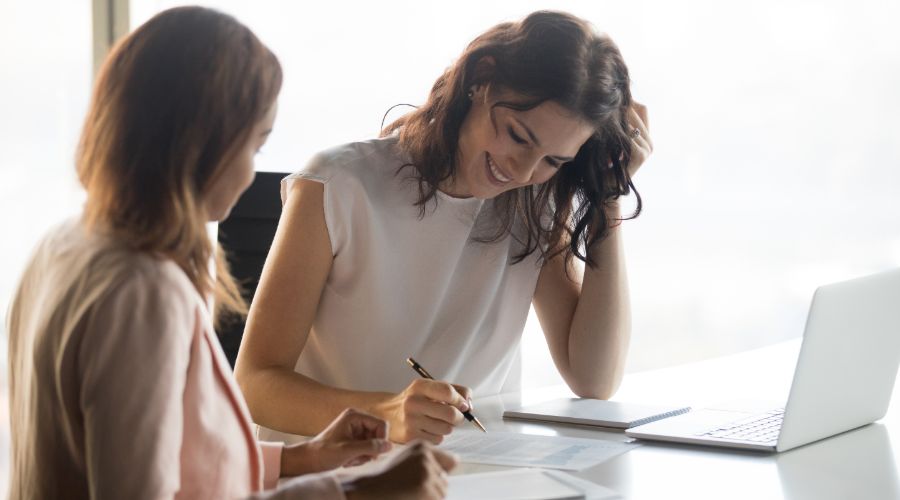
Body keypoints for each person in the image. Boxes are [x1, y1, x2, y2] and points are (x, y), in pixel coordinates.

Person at [6, 6, 455, 499]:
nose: (249, 176)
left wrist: (300, 459)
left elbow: (166, 453)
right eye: (255, 146)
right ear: (203, 143)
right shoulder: (143, 292)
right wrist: (348, 494)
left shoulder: (64, 244)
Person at [235, 10, 653, 445]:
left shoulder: (536, 203)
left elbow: (594, 379)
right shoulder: (338, 184)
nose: (524, 169)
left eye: (554, 160)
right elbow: (255, 384)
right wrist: (385, 414)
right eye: (518, 135)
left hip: (471, 474)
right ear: (481, 79)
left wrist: (608, 199)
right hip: (332, 474)